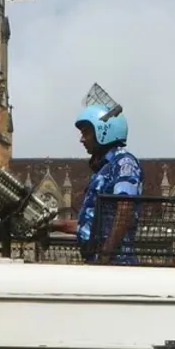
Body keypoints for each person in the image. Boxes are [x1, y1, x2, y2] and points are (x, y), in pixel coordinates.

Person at [53, 96, 142, 263]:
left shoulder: (124, 162)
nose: (81, 139)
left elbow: (125, 210)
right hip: (97, 261)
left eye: (86, 132)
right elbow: (88, 226)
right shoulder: (104, 169)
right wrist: (53, 225)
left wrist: (105, 256)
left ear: (104, 131)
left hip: (116, 264)